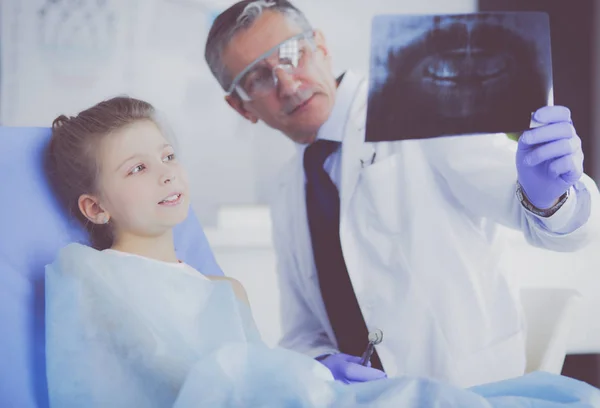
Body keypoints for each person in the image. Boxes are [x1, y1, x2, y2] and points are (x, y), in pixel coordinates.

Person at [43, 95, 600, 408]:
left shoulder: (222, 289)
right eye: (138, 168)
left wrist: (549, 194)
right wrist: (307, 372)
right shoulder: (92, 279)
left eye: (167, 156)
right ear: (95, 208)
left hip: (430, 371)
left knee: (545, 397)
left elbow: (256, 374)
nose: (167, 175)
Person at [204, 0, 600, 387]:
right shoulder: (288, 188)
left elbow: (546, 222)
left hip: (466, 388)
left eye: (293, 54)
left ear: (321, 46)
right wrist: (322, 365)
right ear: (242, 108)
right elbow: (303, 331)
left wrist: (551, 194)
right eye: (258, 78)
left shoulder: (423, 104)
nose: (288, 85)